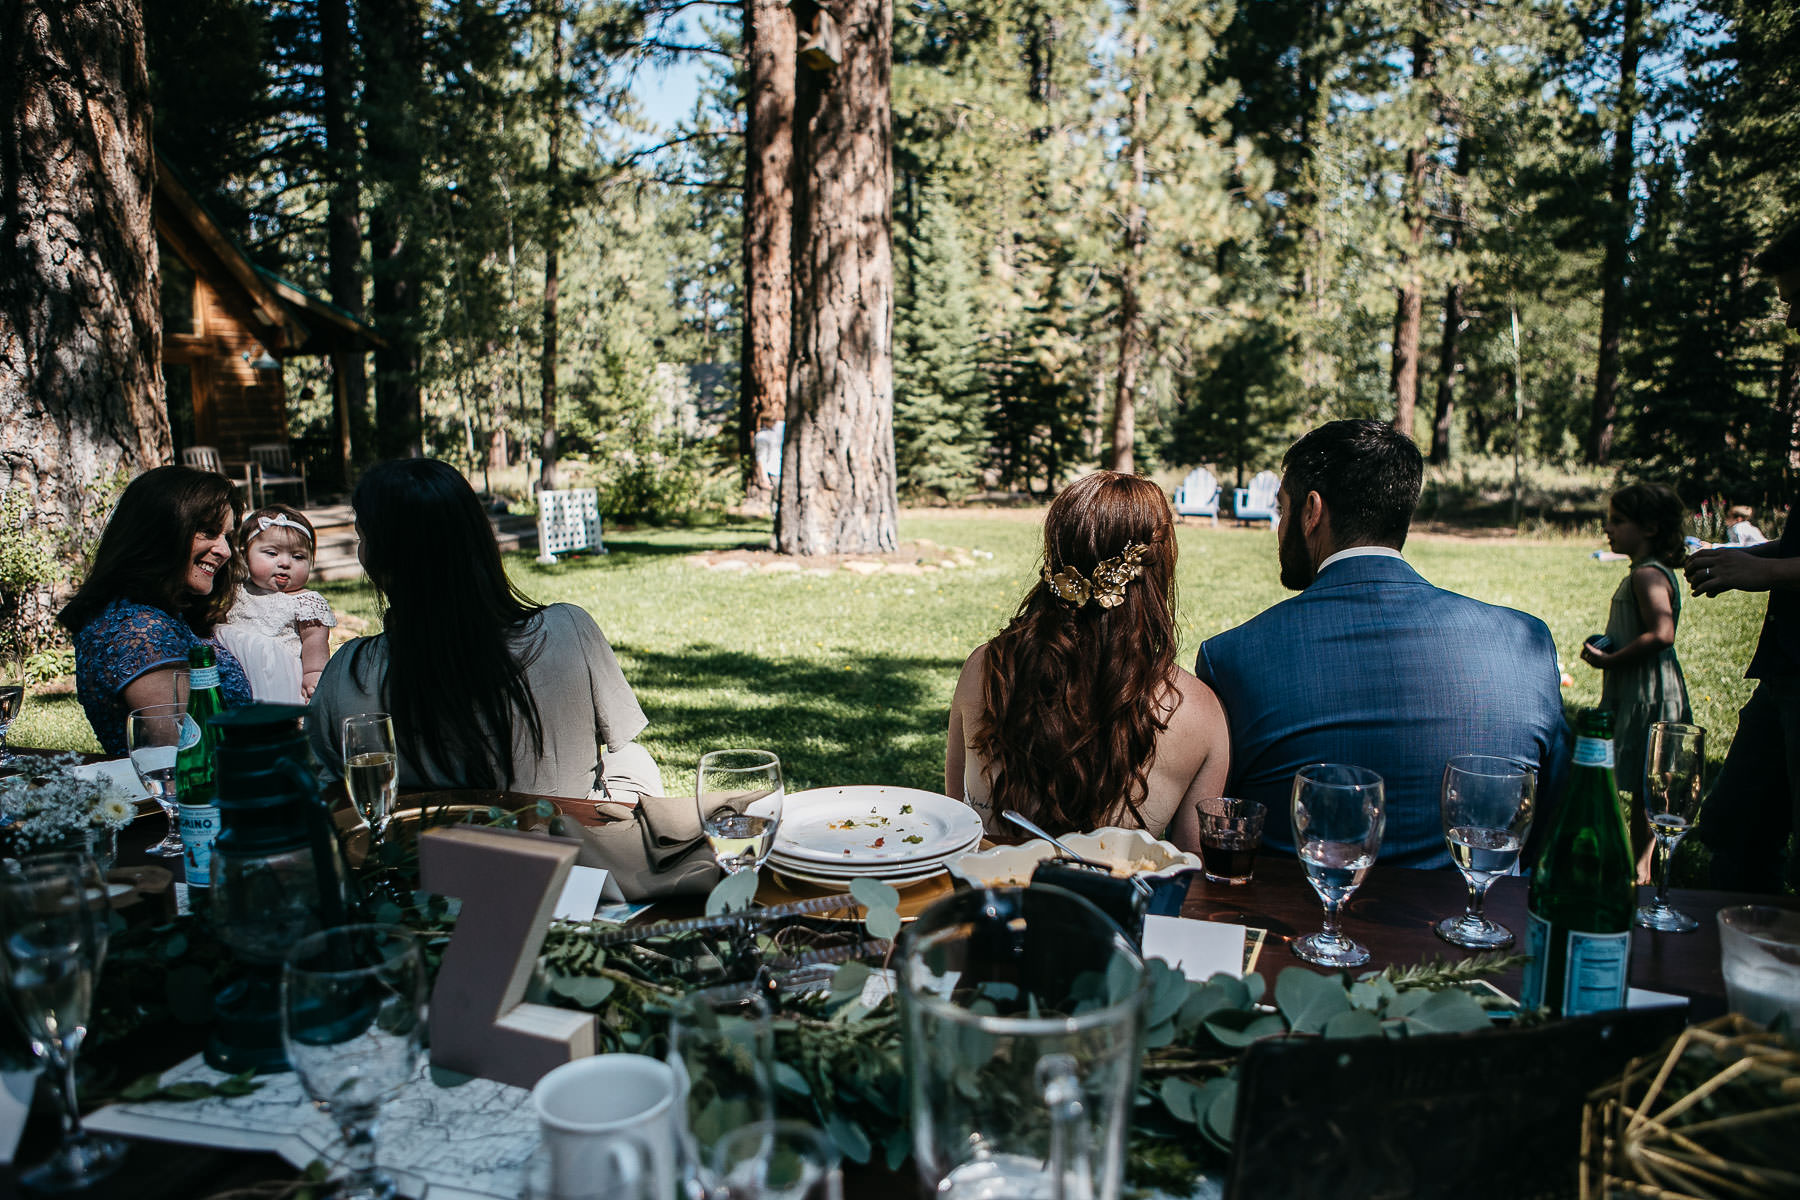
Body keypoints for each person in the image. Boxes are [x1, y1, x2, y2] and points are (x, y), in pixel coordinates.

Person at [1194, 420, 1569, 870]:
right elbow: (1554, 825)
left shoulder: (1233, 657)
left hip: (1304, 910)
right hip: (1480, 911)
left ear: (1312, 511)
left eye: (1282, 509)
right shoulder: (1526, 644)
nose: (1280, 527)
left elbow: (1221, 833)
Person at [307, 458, 660, 802]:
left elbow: (327, 784)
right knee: (633, 758)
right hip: (559, 836)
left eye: (362, 537)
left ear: (377, 560)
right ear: (480, 541)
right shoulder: (568, 631)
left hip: (421, 839)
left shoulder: (348, 672)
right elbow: (619, 734)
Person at [945, 471, 1230, 844]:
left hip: (990, 882)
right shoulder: (1199, 713)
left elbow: (956, 823)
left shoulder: (984, 670)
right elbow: (1196, 866)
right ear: (1159, 567)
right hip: (1118, 885)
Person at [1689, 223, 1800, 893]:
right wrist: (1750, 555)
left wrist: (1768, 571)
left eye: (1798, 299)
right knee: (1734, 829)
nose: (1790, 318)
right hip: (1786, 668)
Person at [59, 465, 254, 756]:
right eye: (208, 532)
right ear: (160, 532)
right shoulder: (137, 631)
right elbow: (184, 756)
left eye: (226, 536)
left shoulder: (160, 614)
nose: (225, 551)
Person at [1580, 483, 1692, 881]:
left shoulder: (1647, 574)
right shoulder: (1644, 572)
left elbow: (1662, 633)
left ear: (1649, 528)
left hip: (1648, 692)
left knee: (1649, 782)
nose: (1608, 528)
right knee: (1645, 782)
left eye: (1618, 521)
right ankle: (1639, 866)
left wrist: (1610, 660)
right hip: (1639, 689)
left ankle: (1642, 870)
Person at [215, 505, 337, 704]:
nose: (285, 563)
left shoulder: (305, 601)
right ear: (245, 555)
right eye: (272, 553)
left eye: (298, 556)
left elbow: (314, 641)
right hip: (235, 675)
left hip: (281, 681)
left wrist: (314, 673)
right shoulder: (235, 591)